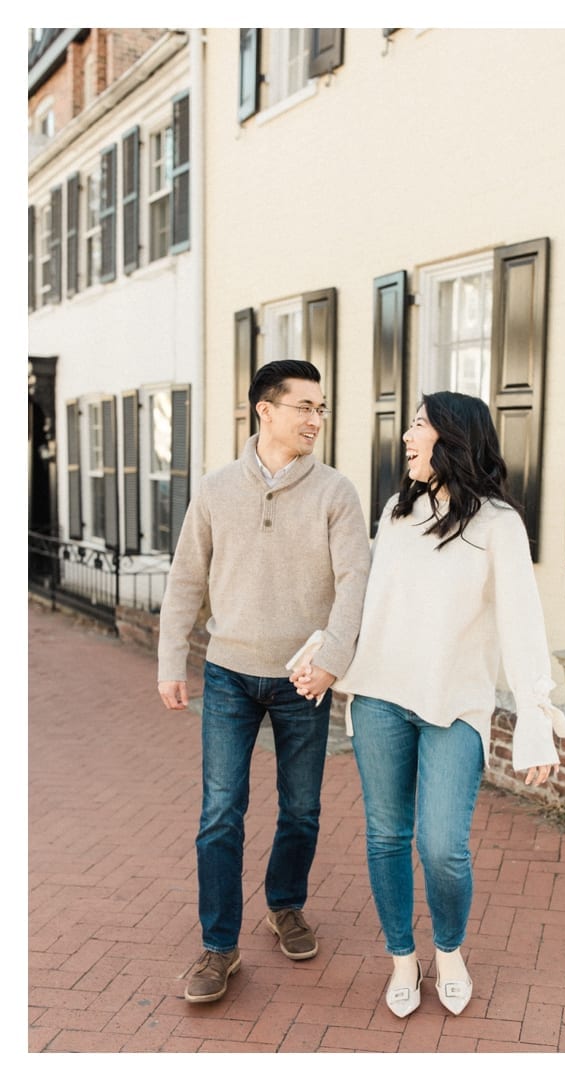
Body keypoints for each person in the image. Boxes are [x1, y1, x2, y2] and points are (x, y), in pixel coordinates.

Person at [317, 391, 565, 1018]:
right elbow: (371, 601)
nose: (406, 437)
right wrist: (323, 649)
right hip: (380, 697)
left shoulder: (497, 526)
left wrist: (535, 718)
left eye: (419, 426)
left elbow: (521, 625)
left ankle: (449, 948)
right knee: (385, 835)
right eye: (408, 426)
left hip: (455, 703)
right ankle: (402, 957)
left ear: (453, 438)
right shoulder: (396, 514)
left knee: (441, 845)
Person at [157, 359, 371, 1004]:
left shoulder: (336, 492)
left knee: (301, 809)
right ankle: (219, 949)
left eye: (321, 407)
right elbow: (186, 579)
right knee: (220, 813)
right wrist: (172, 660)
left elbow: (356, 582)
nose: (315, 419)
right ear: (265, 410)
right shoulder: (217, 488)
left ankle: (285, 906)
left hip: (302, 677)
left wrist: (333, 657)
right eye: (303, 406)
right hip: (227, 673)